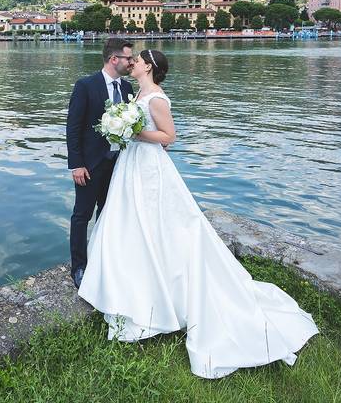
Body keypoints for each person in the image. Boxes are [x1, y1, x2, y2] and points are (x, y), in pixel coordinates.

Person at [78, 48, 318, 379]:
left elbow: (168, 137)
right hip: (131, 165)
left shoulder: (157, 99)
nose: (131, 64)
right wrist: (124, 132)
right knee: (129, 223)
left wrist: (134, 133)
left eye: (137, 60)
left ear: (149, 66)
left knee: (156, 225)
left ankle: (159, 294)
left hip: (149, 168)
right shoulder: (138, 92)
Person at [66, 38, 135, 289]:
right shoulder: (86, 86)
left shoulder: (128, 89)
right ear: (114, 59)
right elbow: (73, 128)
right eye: (129, 58)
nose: (132, 62)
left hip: (119, 165)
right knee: (81, 215)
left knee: (109, 214)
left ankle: (105, 261)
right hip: (90, 165)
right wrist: (76, 164)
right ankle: (79, 267)